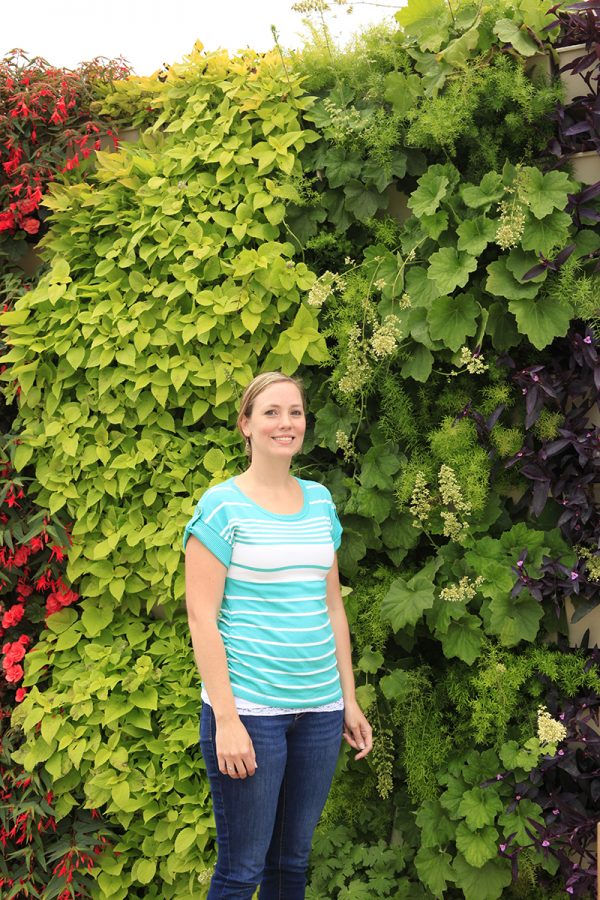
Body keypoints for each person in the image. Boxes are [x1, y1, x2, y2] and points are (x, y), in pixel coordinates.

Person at [183, 371, 372, 900]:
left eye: (295, 412)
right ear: (245, 425)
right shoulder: (222, 506)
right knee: (242, 870)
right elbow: (202, 618)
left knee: (292, 863)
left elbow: (332, 606)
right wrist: (226, 720)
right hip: (251, 713)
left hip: (319, 710)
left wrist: (348, 698)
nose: (286, 423)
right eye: (270, 412)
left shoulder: (319, 502)